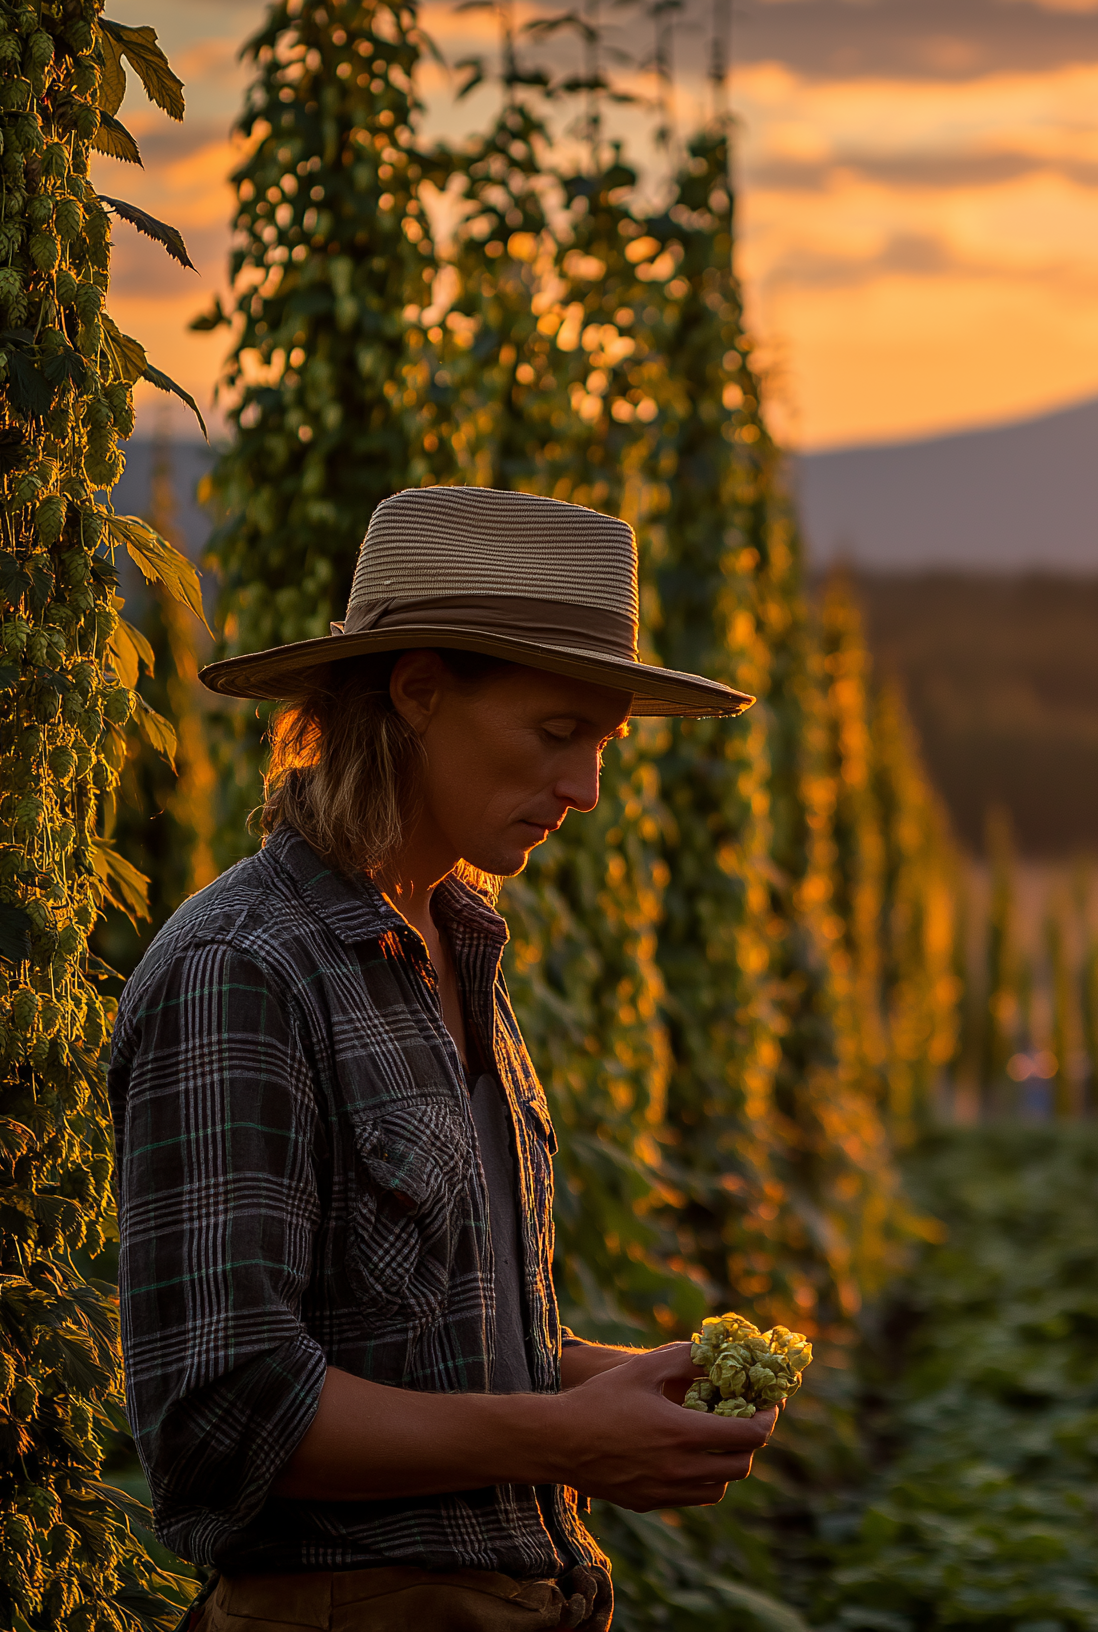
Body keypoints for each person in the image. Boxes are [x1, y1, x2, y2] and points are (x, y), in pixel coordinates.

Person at [111, 486, 764, 1632]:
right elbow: (226, 1405)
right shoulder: (243, 970)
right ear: (416, 691)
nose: (585, 792)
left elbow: (419, 1339)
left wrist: (613, 1381)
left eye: (601, 744)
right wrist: (568, 1440)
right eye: (555, 734)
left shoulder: (448, 942)